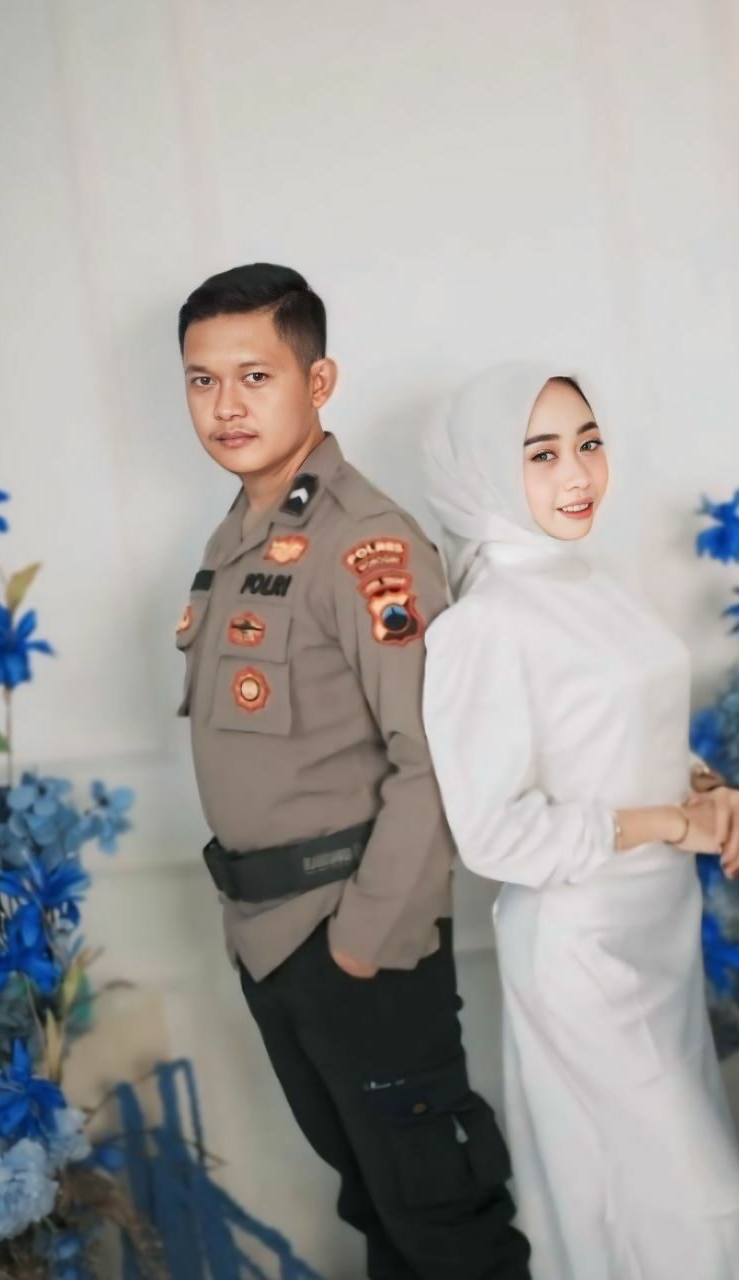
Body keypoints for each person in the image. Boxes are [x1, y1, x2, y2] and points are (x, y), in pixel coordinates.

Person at [174, 264, 531, 1280]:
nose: (227, 405)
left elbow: (434, 759)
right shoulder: (236, 539)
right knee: (380, 1212)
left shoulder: (363, 541)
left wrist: (362, 945)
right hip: (269, 938)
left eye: (255, 375)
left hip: (353, 934)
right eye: (203, 380)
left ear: (318, 380)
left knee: (445, 1223)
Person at [421, 362, 739, 1280]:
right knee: (706, 1212)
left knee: (647, 1214)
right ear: (484, 469)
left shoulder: (596, 578)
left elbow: (626, 733)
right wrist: (671, 825)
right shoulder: (483, 624)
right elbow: (493, 835)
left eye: (587, 443)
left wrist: (709, 790)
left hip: (660, 933)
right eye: (540, 454)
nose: (576, 474)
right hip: (580, 950)